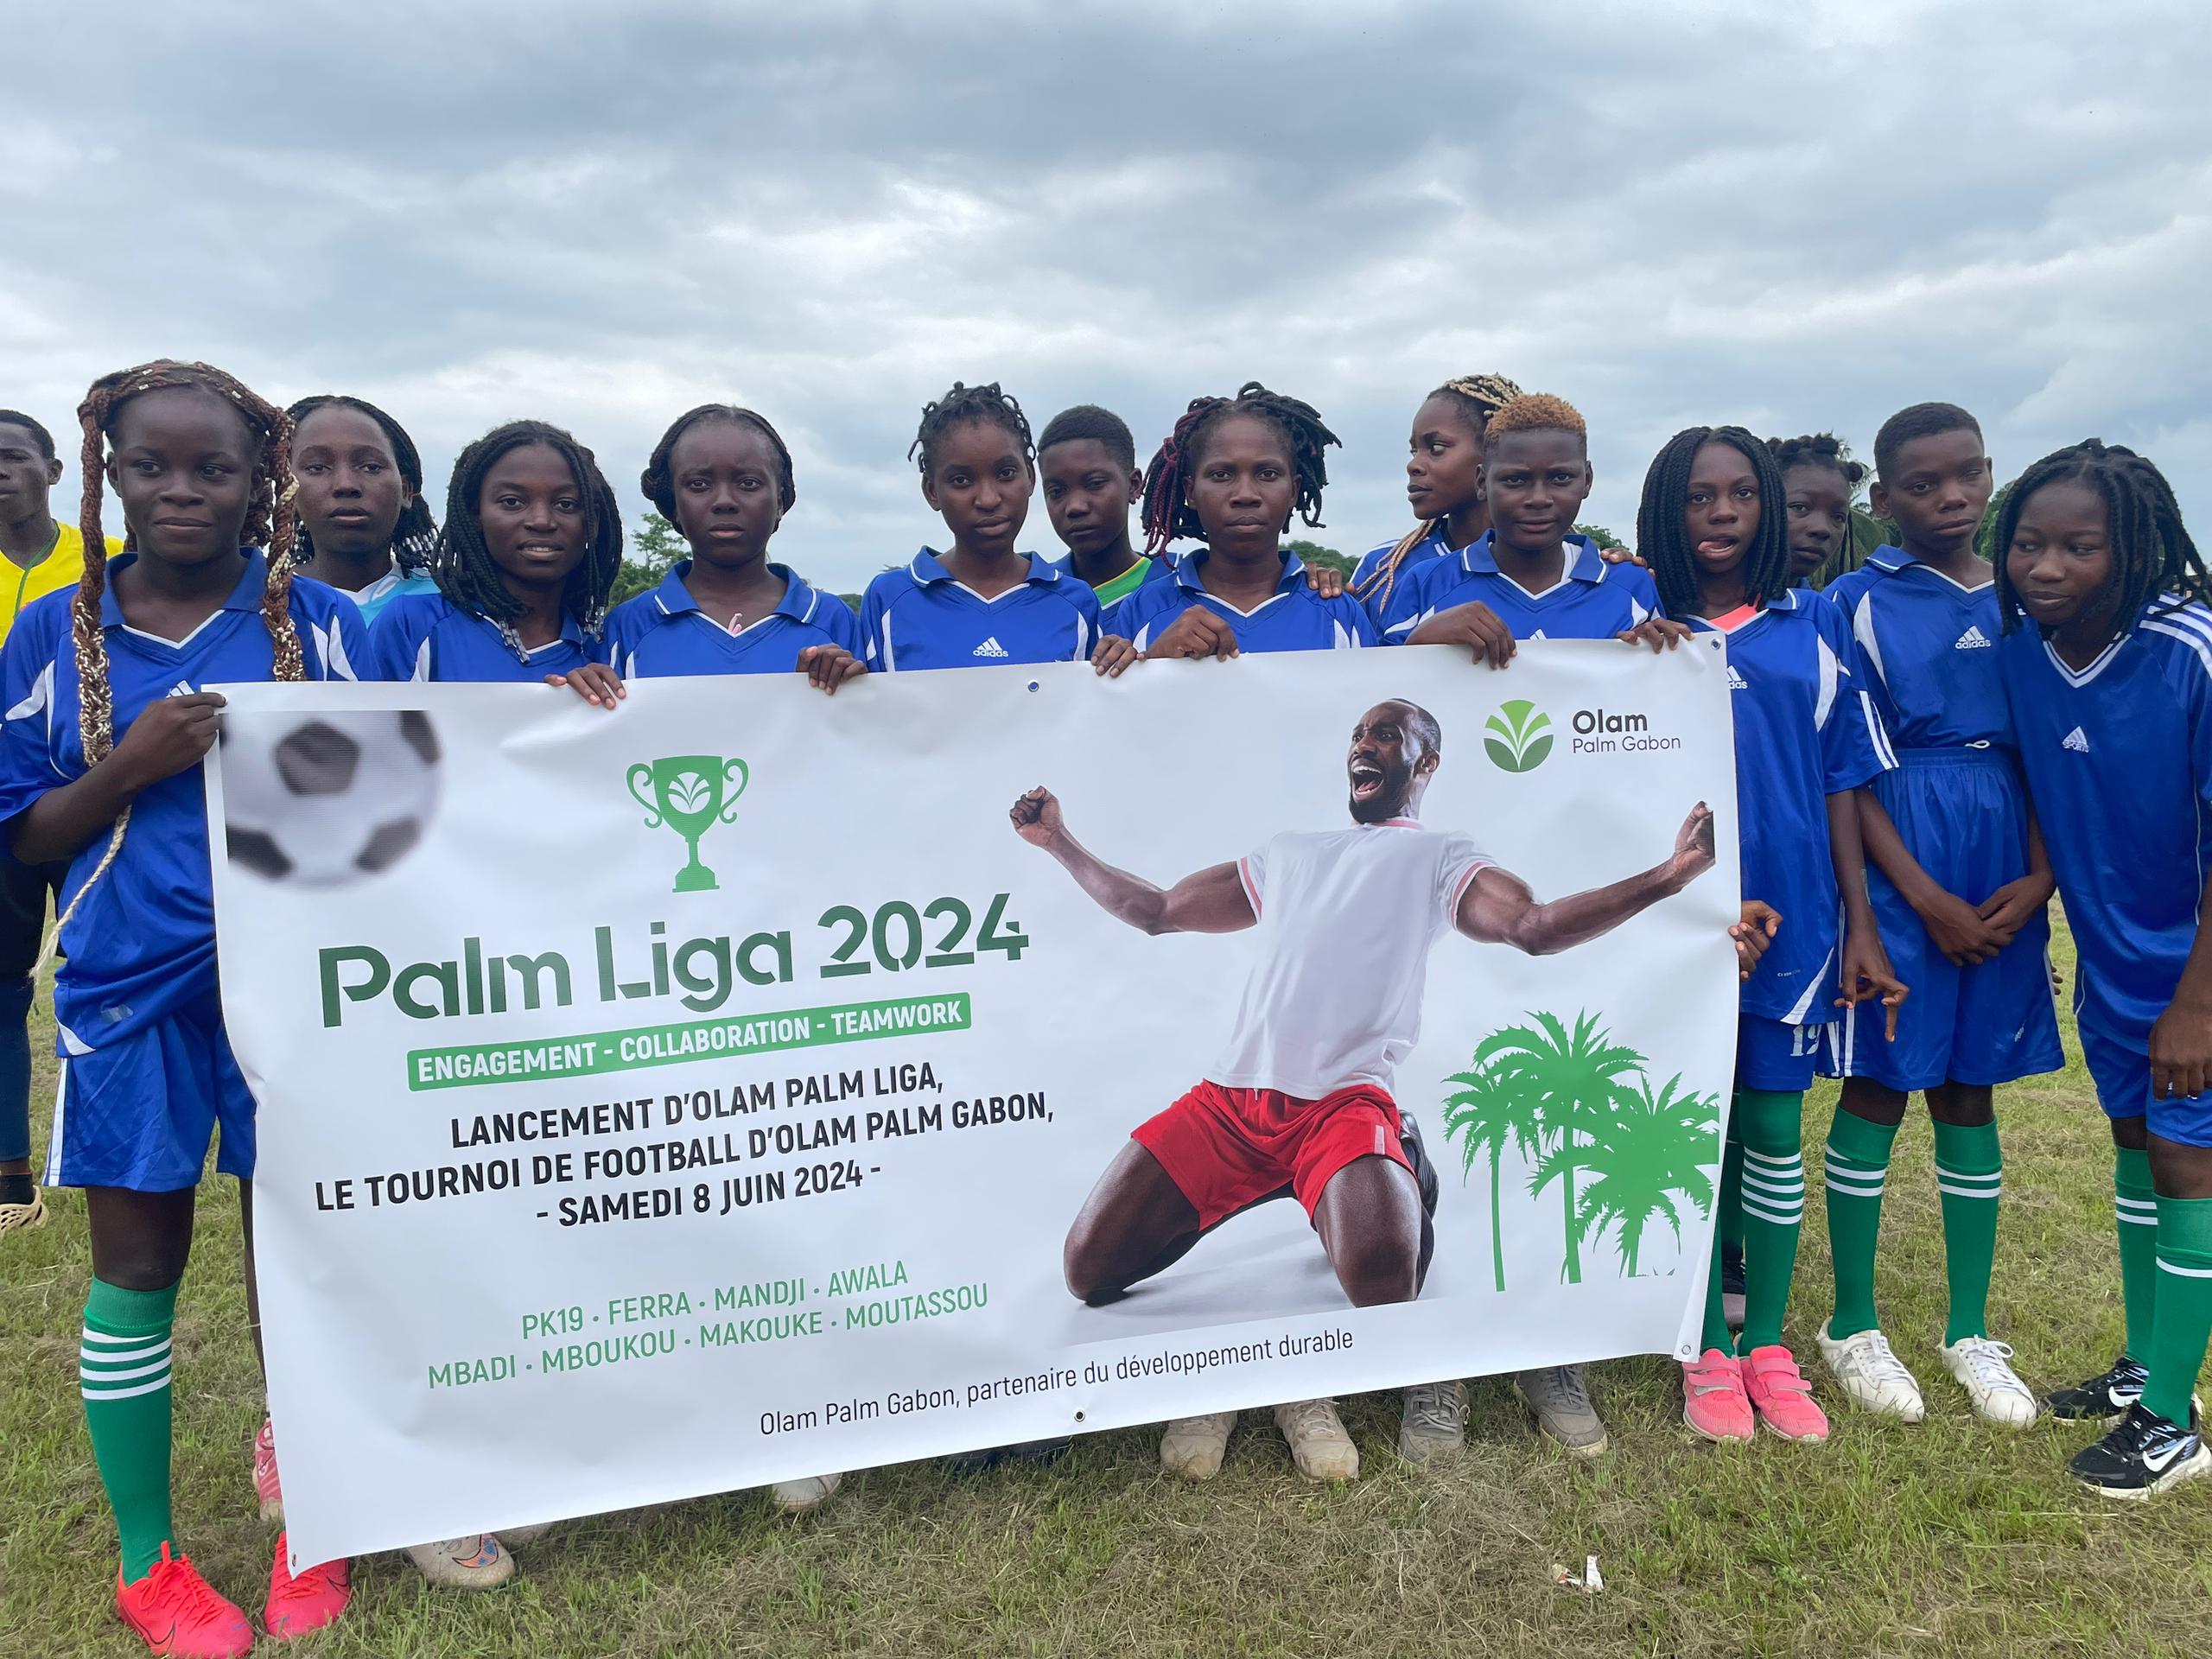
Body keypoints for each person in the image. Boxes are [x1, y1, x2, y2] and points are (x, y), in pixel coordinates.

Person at [1014, 702, 1717, 1484]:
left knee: (1385, 1294)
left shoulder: (1442, 856)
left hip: (1342, 1108)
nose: (1365, 744)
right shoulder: (1290, 853)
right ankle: (1271, 1183)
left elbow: (1535, 926)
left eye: (1387, 734)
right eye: (1358, 734)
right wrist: (1059, 842)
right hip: (1232, 1108)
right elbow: (1155, 912)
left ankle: (1394, 1155)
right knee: (1088, 1273)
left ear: (1426, 764)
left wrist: (1669, 877)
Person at [0, 359, 369, 1655]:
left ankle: (311, 1515)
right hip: (128, 989)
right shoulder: (56, 633)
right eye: (149, 465)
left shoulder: (326, 624)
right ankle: (146, 1560)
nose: (180, 491)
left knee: (299, 1261)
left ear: (260, 480)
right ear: (106, 472)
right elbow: (27, 836)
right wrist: (130, 766)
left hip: (305, 989)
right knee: (138, 1267)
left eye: (212, 468)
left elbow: (408, 779)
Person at [1376, 390, 1681, 1462]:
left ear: (1587, 483)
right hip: (1454, 897)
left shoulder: (1626, 592)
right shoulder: (1427, 582)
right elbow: (1349, 699)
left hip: (1576, 909)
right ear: (1484, 483)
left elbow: (1664, 740)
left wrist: (1659, 662)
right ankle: (1439, 1367)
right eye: (1515, 478)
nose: (1537, 495)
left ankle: (1553, 1349)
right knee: (1453, 1113)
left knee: (1560, 1125)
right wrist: (1421, 640)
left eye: (1559, 477)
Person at [1636, 424, 1904, 1446]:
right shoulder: (1634, 629)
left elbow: (1840, 788)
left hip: (1791, 922)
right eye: (1698, 496)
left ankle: (1770, 1345)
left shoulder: (1811, 628)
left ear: (1768, 508)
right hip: (1676, 925)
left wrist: (1861, 925)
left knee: (1774, 1133)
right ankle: (1705, 1344)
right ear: (1665, 509)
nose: (1720, 514)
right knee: (1694, 1134)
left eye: (1741, 495)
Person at [1813, 405, 2059, 1428]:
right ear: (1882, 500)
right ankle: (1851, 1323)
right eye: (1922, 484)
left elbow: (2047, 747)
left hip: (2003, 852)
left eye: (1966, 477)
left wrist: (2040, 877)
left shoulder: (2025, 595)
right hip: (1902, 851)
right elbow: (1846, 768)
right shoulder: (1852, 603)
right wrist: (1915, 900)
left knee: (1969, 1088)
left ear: (1990, 477)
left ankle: (1968, 1331)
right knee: (1879, 1082)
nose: (1950, 498)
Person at [1997, 439, 2212, 1497]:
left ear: (2131, 549)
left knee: (2186, 1163)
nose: (2046, 567)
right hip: (2112, 960)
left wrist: (2197, 1005)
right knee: (2133, 1145)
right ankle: (2143, 1364)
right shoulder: (2024, 652)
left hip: (2194, 971)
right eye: (2028, 543)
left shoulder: (2189, 650)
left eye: (2078, 547)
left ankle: (2172, 1421)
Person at [0, 408, 118, 1239]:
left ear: (52, 469)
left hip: (93, 798)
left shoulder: (110, 561)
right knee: (4, 987)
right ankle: (11, 1176)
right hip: (5, 803)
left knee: (107, 977)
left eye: (12, 457)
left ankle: (119, 1161)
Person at [858, 382, 1132, 677]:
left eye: (1005, 473)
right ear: (932, 491)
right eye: (961, 480)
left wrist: (1128, 663)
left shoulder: (1075, 601)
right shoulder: (890, 598)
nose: (988, 499)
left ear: (1030, 477)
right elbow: (861, 700)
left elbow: (1092, 701)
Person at [603, 403, 864, 696]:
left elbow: (868, 716)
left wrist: (829, 690)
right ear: (675, 504)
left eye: (748, 483)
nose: (724, 501)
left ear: (779, 502)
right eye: (699, 484)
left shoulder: (832, 620)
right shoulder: (629, 626)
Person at [1111, 383, 1375, 656]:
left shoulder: (1337, 611)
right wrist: (1156, 661)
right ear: (1191, 492)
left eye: (1268, 474)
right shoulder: (1143, 609)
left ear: (1293, 491)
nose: (1246, 494)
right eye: (1221, 475)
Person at [369, 419, 622, 689]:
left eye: (566, 504)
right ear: (475, 513)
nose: (541, 521)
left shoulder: (606, 649)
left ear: (593, 522)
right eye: (512, 502)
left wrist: (581, 705)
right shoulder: (414, 625)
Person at [1350, 374, 1522, 630]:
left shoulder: (1556, 564)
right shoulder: (1382, 570)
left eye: (1436, 448)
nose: (1413, 465)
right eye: (1414, 450)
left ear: (1494, 453)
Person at [284, 395, 439, 624]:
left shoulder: (451, 606)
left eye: (371, 467)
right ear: (288, 488)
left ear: (406, 491)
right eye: (317, 467)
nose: (346, 485)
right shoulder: (261, 605)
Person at [1036, 404, 1169, 607]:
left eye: (1095, 484)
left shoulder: (1179, 591)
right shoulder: (1035, 598)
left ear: (1134, 485)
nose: (1075, 507)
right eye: (1056, 491)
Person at [1770, 432, 1865, 589]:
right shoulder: (1724, 600)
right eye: (1799, 507)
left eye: (1838, 517)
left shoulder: (1818, 606)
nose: (1822, 529)